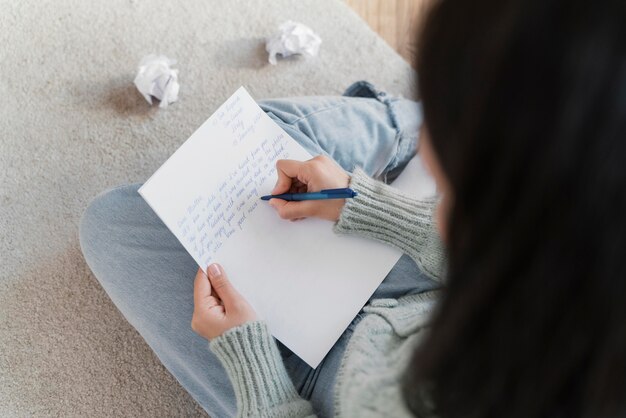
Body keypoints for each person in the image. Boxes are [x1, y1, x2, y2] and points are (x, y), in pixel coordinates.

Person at [80, 0, 626, 417]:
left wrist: (250, 363)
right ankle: (409, 123)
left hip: (320, 388)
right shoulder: (586, 250)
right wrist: (361, 201)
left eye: (451, 166)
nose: (433, 178)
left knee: (113, 224)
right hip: (429, 297)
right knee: (274, 146)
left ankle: (400, 123)